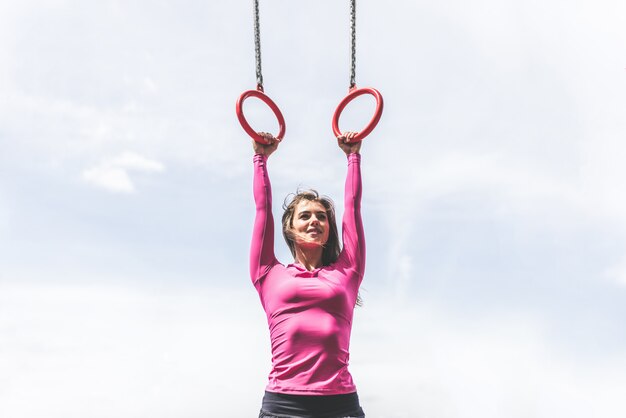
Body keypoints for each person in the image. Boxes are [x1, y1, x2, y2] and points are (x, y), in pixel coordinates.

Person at [250, 131, 367, 418]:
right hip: (283, 403)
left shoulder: (348, 270)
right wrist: (260, 159)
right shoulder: (267, 272)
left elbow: (353, 207)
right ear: (289, 226)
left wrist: (353, 157)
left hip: (339, 404)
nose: (315, 220)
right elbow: (262, 209)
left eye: (321, 216)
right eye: (305, 215)